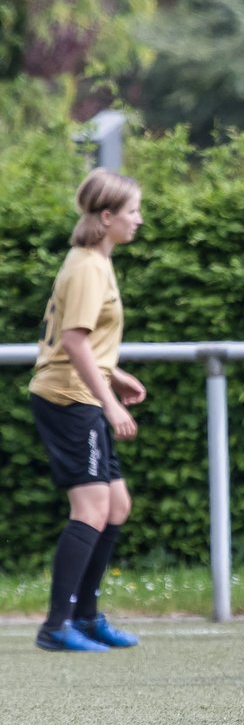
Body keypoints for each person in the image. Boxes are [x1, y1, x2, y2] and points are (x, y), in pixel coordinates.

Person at [29, 168, 147, 652]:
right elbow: (73, 341)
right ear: (106, 216)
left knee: (117, 505)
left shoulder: (96, 259)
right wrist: (110, 402)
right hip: (69, 399)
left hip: (82, 390)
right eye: (133, 211)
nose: (139, 220)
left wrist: (113, 372)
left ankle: (86, 616)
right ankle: (57, 626)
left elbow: (79, 338)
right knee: (93, 507)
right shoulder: (87, 266)